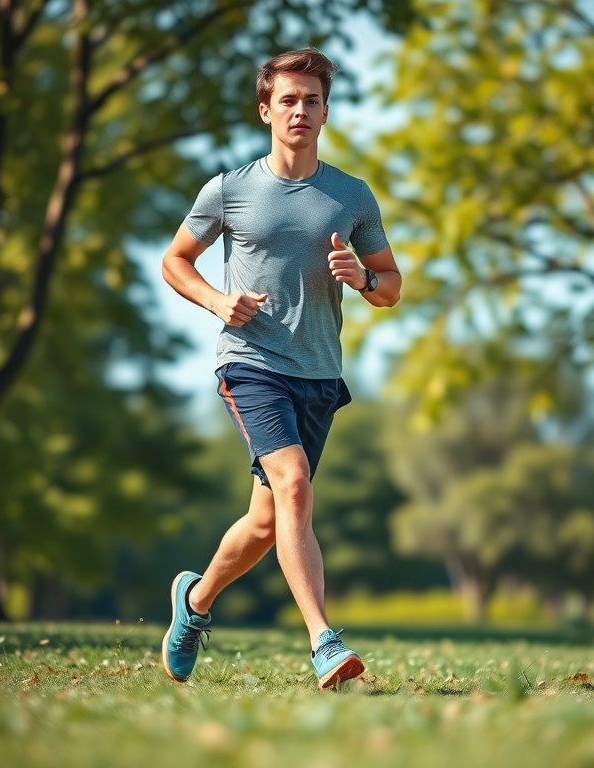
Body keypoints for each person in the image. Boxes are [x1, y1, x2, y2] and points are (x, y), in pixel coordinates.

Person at [158, 48, 401, 689]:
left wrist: (363, 275)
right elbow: (175, 261)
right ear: (266, 109)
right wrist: (217, 300)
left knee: (268, 521)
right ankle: (324, 640)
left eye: (312, 100)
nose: (300, 110)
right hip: (252, 362)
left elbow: (392, 285)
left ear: (325, 111)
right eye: (288, 100)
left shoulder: (351, 195)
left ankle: (194, 603)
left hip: (319, 371)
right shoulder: (230, 189)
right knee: (293, 486)